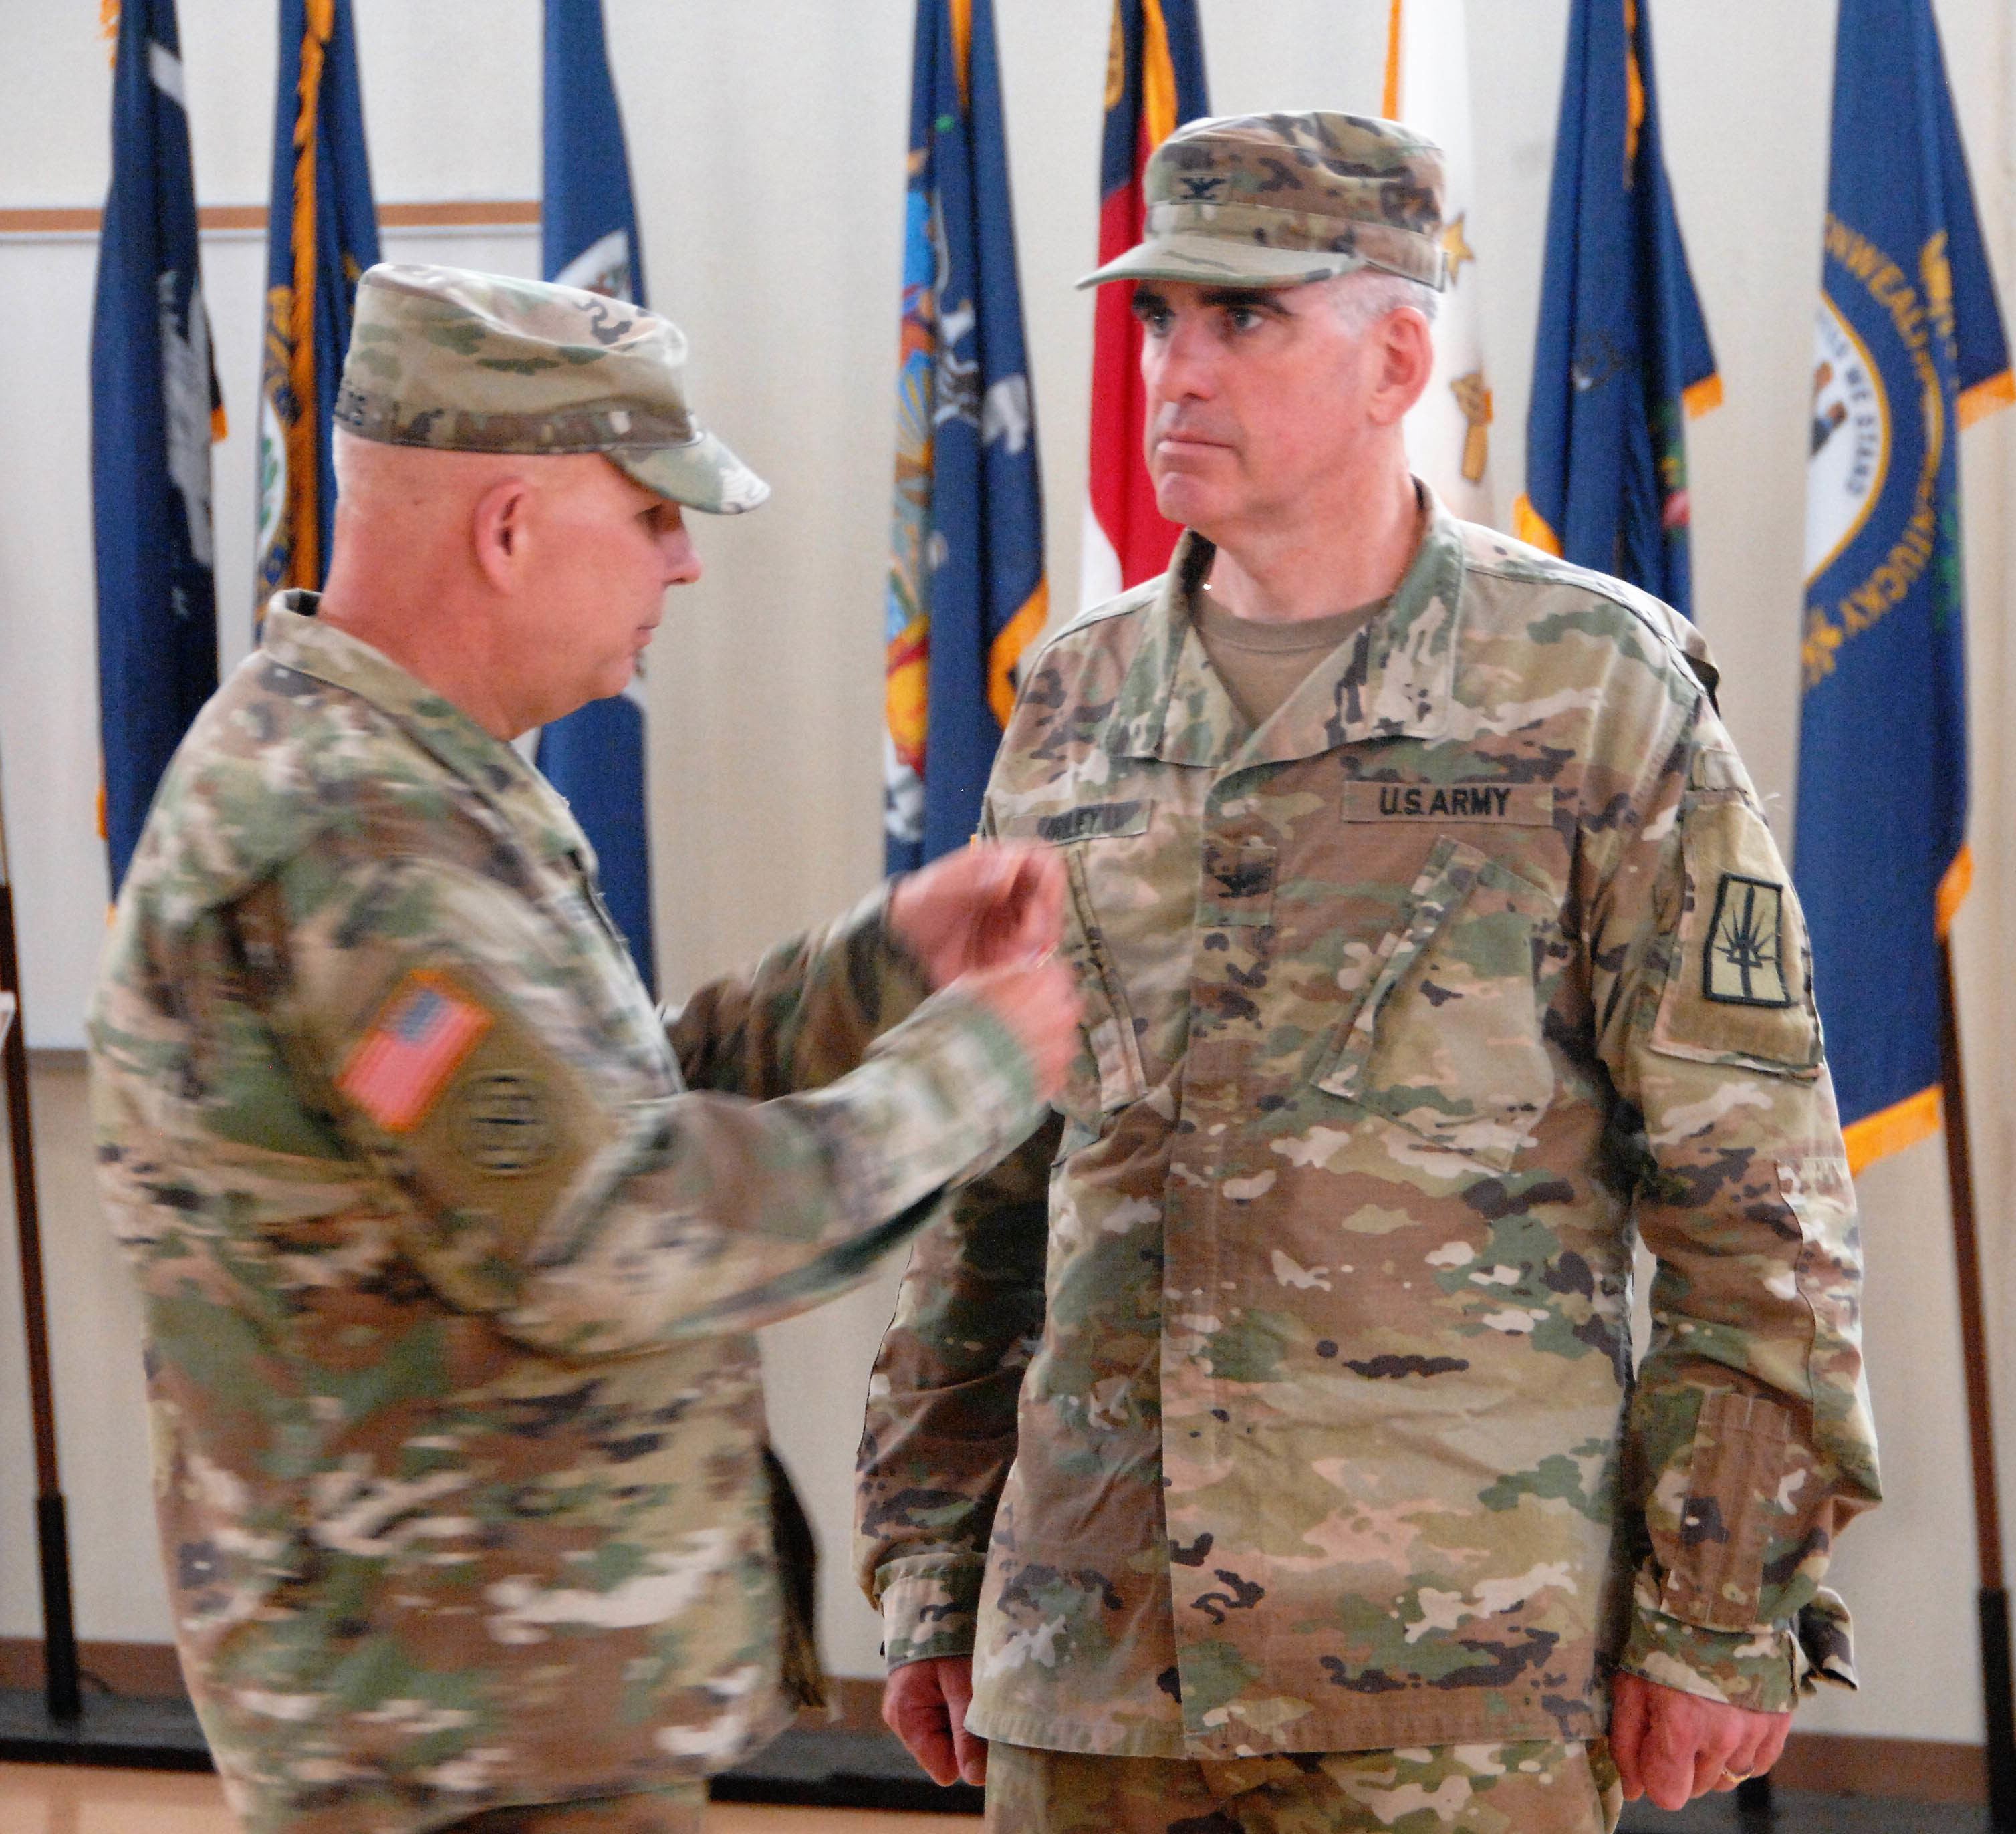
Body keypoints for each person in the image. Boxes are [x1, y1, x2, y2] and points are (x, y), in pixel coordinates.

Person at [856, 112, 1879, 1834]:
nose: (1175, 368)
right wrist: (931, 1564)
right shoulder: (1076, 698)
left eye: (1241, 317)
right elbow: (991, 1176)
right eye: (1158, 318)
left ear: (1396, 358)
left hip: (1453, 1667)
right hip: (1092, 1654)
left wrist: (1719, 1606)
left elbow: (1751, 1191)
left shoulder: (1587, 684)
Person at [88, 262, 1079, 1834]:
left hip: (497, 1701)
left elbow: (583, 1118)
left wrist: (883, 963)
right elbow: (602, 1227)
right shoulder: (349, 835)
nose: (683, 561)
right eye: (652, 513)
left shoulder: (410, 777)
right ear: (507, 528)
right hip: (442, 1739)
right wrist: (971, 1072)